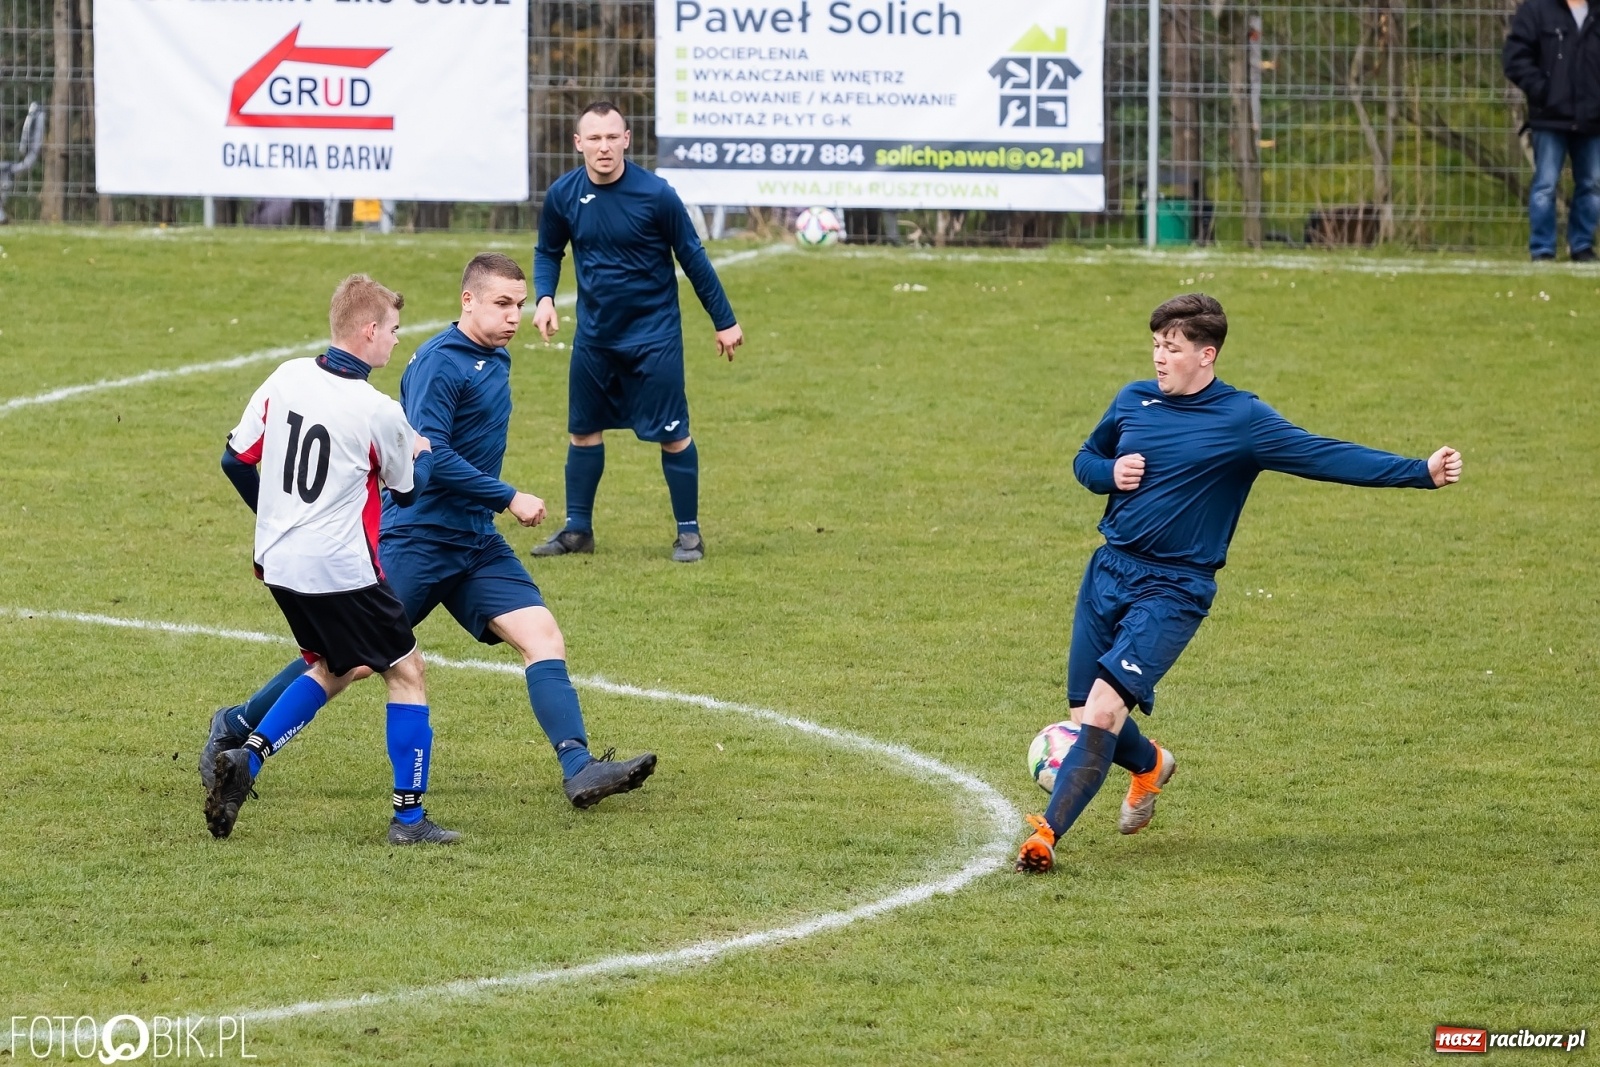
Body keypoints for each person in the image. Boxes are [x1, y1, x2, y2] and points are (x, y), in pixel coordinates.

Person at [1015, 293, 1463, 874]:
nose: (1159, 358)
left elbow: (1324, 455)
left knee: (1101, 714)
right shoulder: (1133, 400)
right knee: (1084, 715)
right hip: (1108, 571)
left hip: (1174, 588)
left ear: (1206, 355)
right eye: (1155, 345)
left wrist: (1419, 473)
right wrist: (1109, 472)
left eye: (1171, 349)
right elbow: (1085, 458)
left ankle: (1046, 838)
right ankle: (1149, 764)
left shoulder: (1242, 421)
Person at [201, 253, 657, 814]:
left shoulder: (493, 357)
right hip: (417, 539)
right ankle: (238, 728)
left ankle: (579, 768)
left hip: (474, 542)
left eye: (519, 305)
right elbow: (429, 459)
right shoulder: (441, 365)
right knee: (346, 661)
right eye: (501, 304)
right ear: (468, 301)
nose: (514, 316)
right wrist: (507, 495)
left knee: (542, 637)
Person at [206, 273, 459, 845]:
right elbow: (409, 491)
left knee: (337, 664)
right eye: (393, 330)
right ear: (369, 331)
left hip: (277, 562)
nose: (396, 340)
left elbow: (234, 460)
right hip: (341, 569)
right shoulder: (377, 409)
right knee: (407, 671)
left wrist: (274, 516)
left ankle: (246, 759)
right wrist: (421, 450)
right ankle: (409, 820)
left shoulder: (287, 375)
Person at [529, 99, 744, 563]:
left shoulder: (657, 194)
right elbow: (548, 251)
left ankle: (689, 533)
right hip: (595, 337)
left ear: (626, 139)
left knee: (673, 433)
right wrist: (545, 297)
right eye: (594, 138)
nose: (603, 147)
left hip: (654, 337)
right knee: (583, 432)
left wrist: (724, 320)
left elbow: (694, 257)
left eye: (612, 137)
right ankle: (577, 530)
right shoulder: (564, 194)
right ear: (578, 143)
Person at [1504, 0, 1600, 261]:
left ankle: (1582, 247)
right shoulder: (1536, 10)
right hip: (1550, 117)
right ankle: (1543, 250)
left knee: (1591, 185)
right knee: (1545, 185)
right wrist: (1544, 92)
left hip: (1593, 119)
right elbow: (1515, 58)